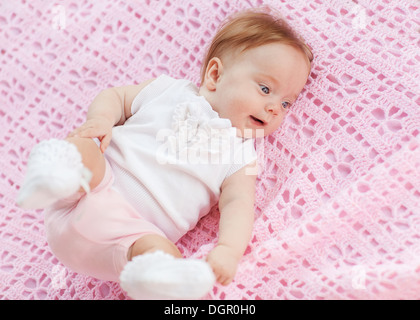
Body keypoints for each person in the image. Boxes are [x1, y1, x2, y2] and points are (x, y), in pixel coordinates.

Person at [17, 8, 313, 299]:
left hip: (132, 236)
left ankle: (153, 280)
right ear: (215, 74)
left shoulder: (242, 158)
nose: (275, 108)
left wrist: (228, 250)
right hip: (88, 188)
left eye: (287, 103)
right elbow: (116, 97)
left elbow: (239, 206)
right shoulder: (169, 90)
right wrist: (101, 120)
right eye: (265, 88)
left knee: (163, 252)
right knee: (84, 148)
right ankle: (54, 175)